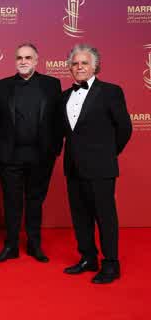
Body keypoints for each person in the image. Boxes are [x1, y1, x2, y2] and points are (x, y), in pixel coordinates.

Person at [61, 44, 132, 284]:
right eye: (75, 63)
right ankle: (88, 258)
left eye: (84, 63)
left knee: (105, 217)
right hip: (73, 167)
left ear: (95, 66)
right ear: (70, 68)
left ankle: (111, 264)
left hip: (101, 167)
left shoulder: (111, 91)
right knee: (80, 216)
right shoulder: (64, 96)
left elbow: (124, 128)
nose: (79, 67)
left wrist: (107, 155)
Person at [0, 43, 63, 263]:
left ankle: (34, 245)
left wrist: (55, 148)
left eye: (28, 57)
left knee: (35, 201)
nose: (23, 61)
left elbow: (58, 119)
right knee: (11, 202)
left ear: (36, 60)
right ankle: (11, 246)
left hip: (41, 155)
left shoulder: (52, 84)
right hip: (10, 156)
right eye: (19, 58)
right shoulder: (3, 85)